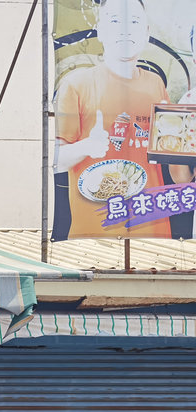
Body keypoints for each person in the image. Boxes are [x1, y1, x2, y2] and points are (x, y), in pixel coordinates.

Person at [53, 0, 172, 238]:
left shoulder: (156, 84)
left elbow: (169, 159)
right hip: (94, 231)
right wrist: (87, 146)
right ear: (100, 29)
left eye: (135, 22)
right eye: (116, 21)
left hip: (153, 228)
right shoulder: (76, 84)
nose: (126, 30)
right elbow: (55, 161)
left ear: (146, 32)